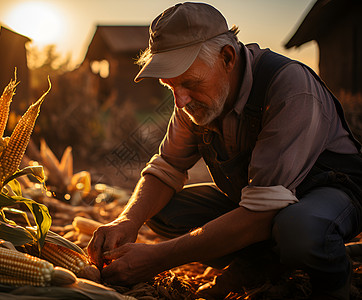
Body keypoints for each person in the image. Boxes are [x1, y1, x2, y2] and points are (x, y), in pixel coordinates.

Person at [87, 2, 362, 299]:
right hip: (261, 203)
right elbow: (166, 167)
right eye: (170, 86)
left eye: (189, 83)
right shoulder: (193, 99)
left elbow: (261, 214)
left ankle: (335, 282)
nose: (179, 101)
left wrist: (158, 258)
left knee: (300, 230)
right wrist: (126, 220)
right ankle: (261, 263)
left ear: (227, 58)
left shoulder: (289, 87)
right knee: (162, 211)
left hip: (329, 192)